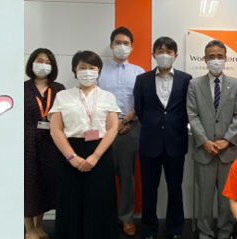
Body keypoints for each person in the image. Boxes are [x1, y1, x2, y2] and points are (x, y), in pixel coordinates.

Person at [49, 50, 121, 239]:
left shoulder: (108, 97)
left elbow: (113, 128)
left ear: (98, 71)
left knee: (99, 201)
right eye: (82, 67)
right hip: (70, 153)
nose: (87, 71)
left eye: (92, 68)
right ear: (75, 69)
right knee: (71, 202)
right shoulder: (63, 96)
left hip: (100, 153)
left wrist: (95, 156)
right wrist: (71, 157)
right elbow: (56, 130)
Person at [133, 36, 192, 239]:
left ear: (175, 56)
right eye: (160, 51)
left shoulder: (186, 79)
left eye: (169, 51)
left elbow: (188, 109)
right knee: (149, 190)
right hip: (150, 142)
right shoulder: (142, 80)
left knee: (175, 189)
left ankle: (175, 229)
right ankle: (149, 230)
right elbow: (140, 110)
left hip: (176, 141)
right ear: (153, 54)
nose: (164, 55)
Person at [187, 40, 237, 239]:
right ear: (204, 60)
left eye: (219, 56)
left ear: (225, 59)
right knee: (204, 198)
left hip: (228, 152)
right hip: (204, 150)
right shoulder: (194, 84)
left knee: (226, 198)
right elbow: (192, 115)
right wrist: (204, 141)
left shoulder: (236, 84)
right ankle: (205, 233)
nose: (215, 60)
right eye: (211, 56)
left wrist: (227, 139)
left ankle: (225, 233)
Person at [96, 26, 145, 237]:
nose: (122, 46)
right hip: (104, 127)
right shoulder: (99, 70)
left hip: (130, 128)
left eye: (126, 43)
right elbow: (94, 98)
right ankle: (104, 217)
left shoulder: (139, 72)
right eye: (118, 42)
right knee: (103, 175)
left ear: (131, 47)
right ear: (111, 45)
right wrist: (114, 121)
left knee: (127, 175)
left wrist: (125, 119)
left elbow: (142, 102)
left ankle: (126, 219)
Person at [23, 48, 65, 239]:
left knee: (45, 184)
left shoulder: (58, 89)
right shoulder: (22, 88)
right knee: (28, 184)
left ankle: (39, 226)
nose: (43, 65)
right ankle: (29, 229)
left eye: (48, 62)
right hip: (26, 140)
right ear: (32, 63)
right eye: (40, 61)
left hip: (51, 142)